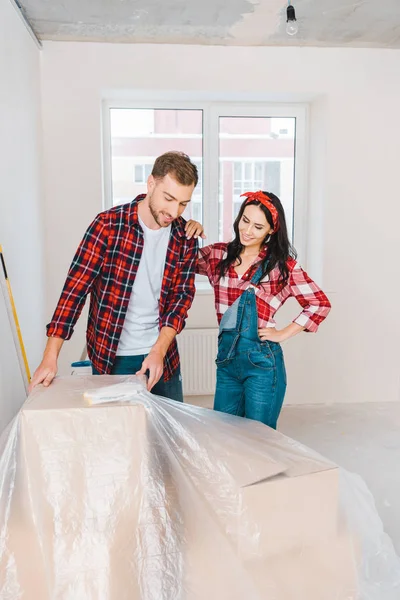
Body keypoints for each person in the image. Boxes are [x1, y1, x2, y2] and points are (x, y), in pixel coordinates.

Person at [29, 151, 204, 402]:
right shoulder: (108, 226)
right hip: (112, 356)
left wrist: (158, 350)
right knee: (119, 437)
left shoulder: (184, 238)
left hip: (161, 356)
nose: (174, 212)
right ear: (151, 184)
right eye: (169, 198)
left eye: (183, 204)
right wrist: (50, 356)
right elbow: (75, 291)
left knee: (168, 439)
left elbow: (180, 300)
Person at [194, 190, 331, 429]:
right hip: (226, 363)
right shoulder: (218, 255)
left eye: (258, 227)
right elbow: (178, 261)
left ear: (271, 230)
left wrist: (282, 334)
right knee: (224, 434)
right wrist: (188, 228)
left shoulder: (281, 266)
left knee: (260, 440)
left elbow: (319, 303)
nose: (247, 231)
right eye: (245, 221)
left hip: (262, 364)